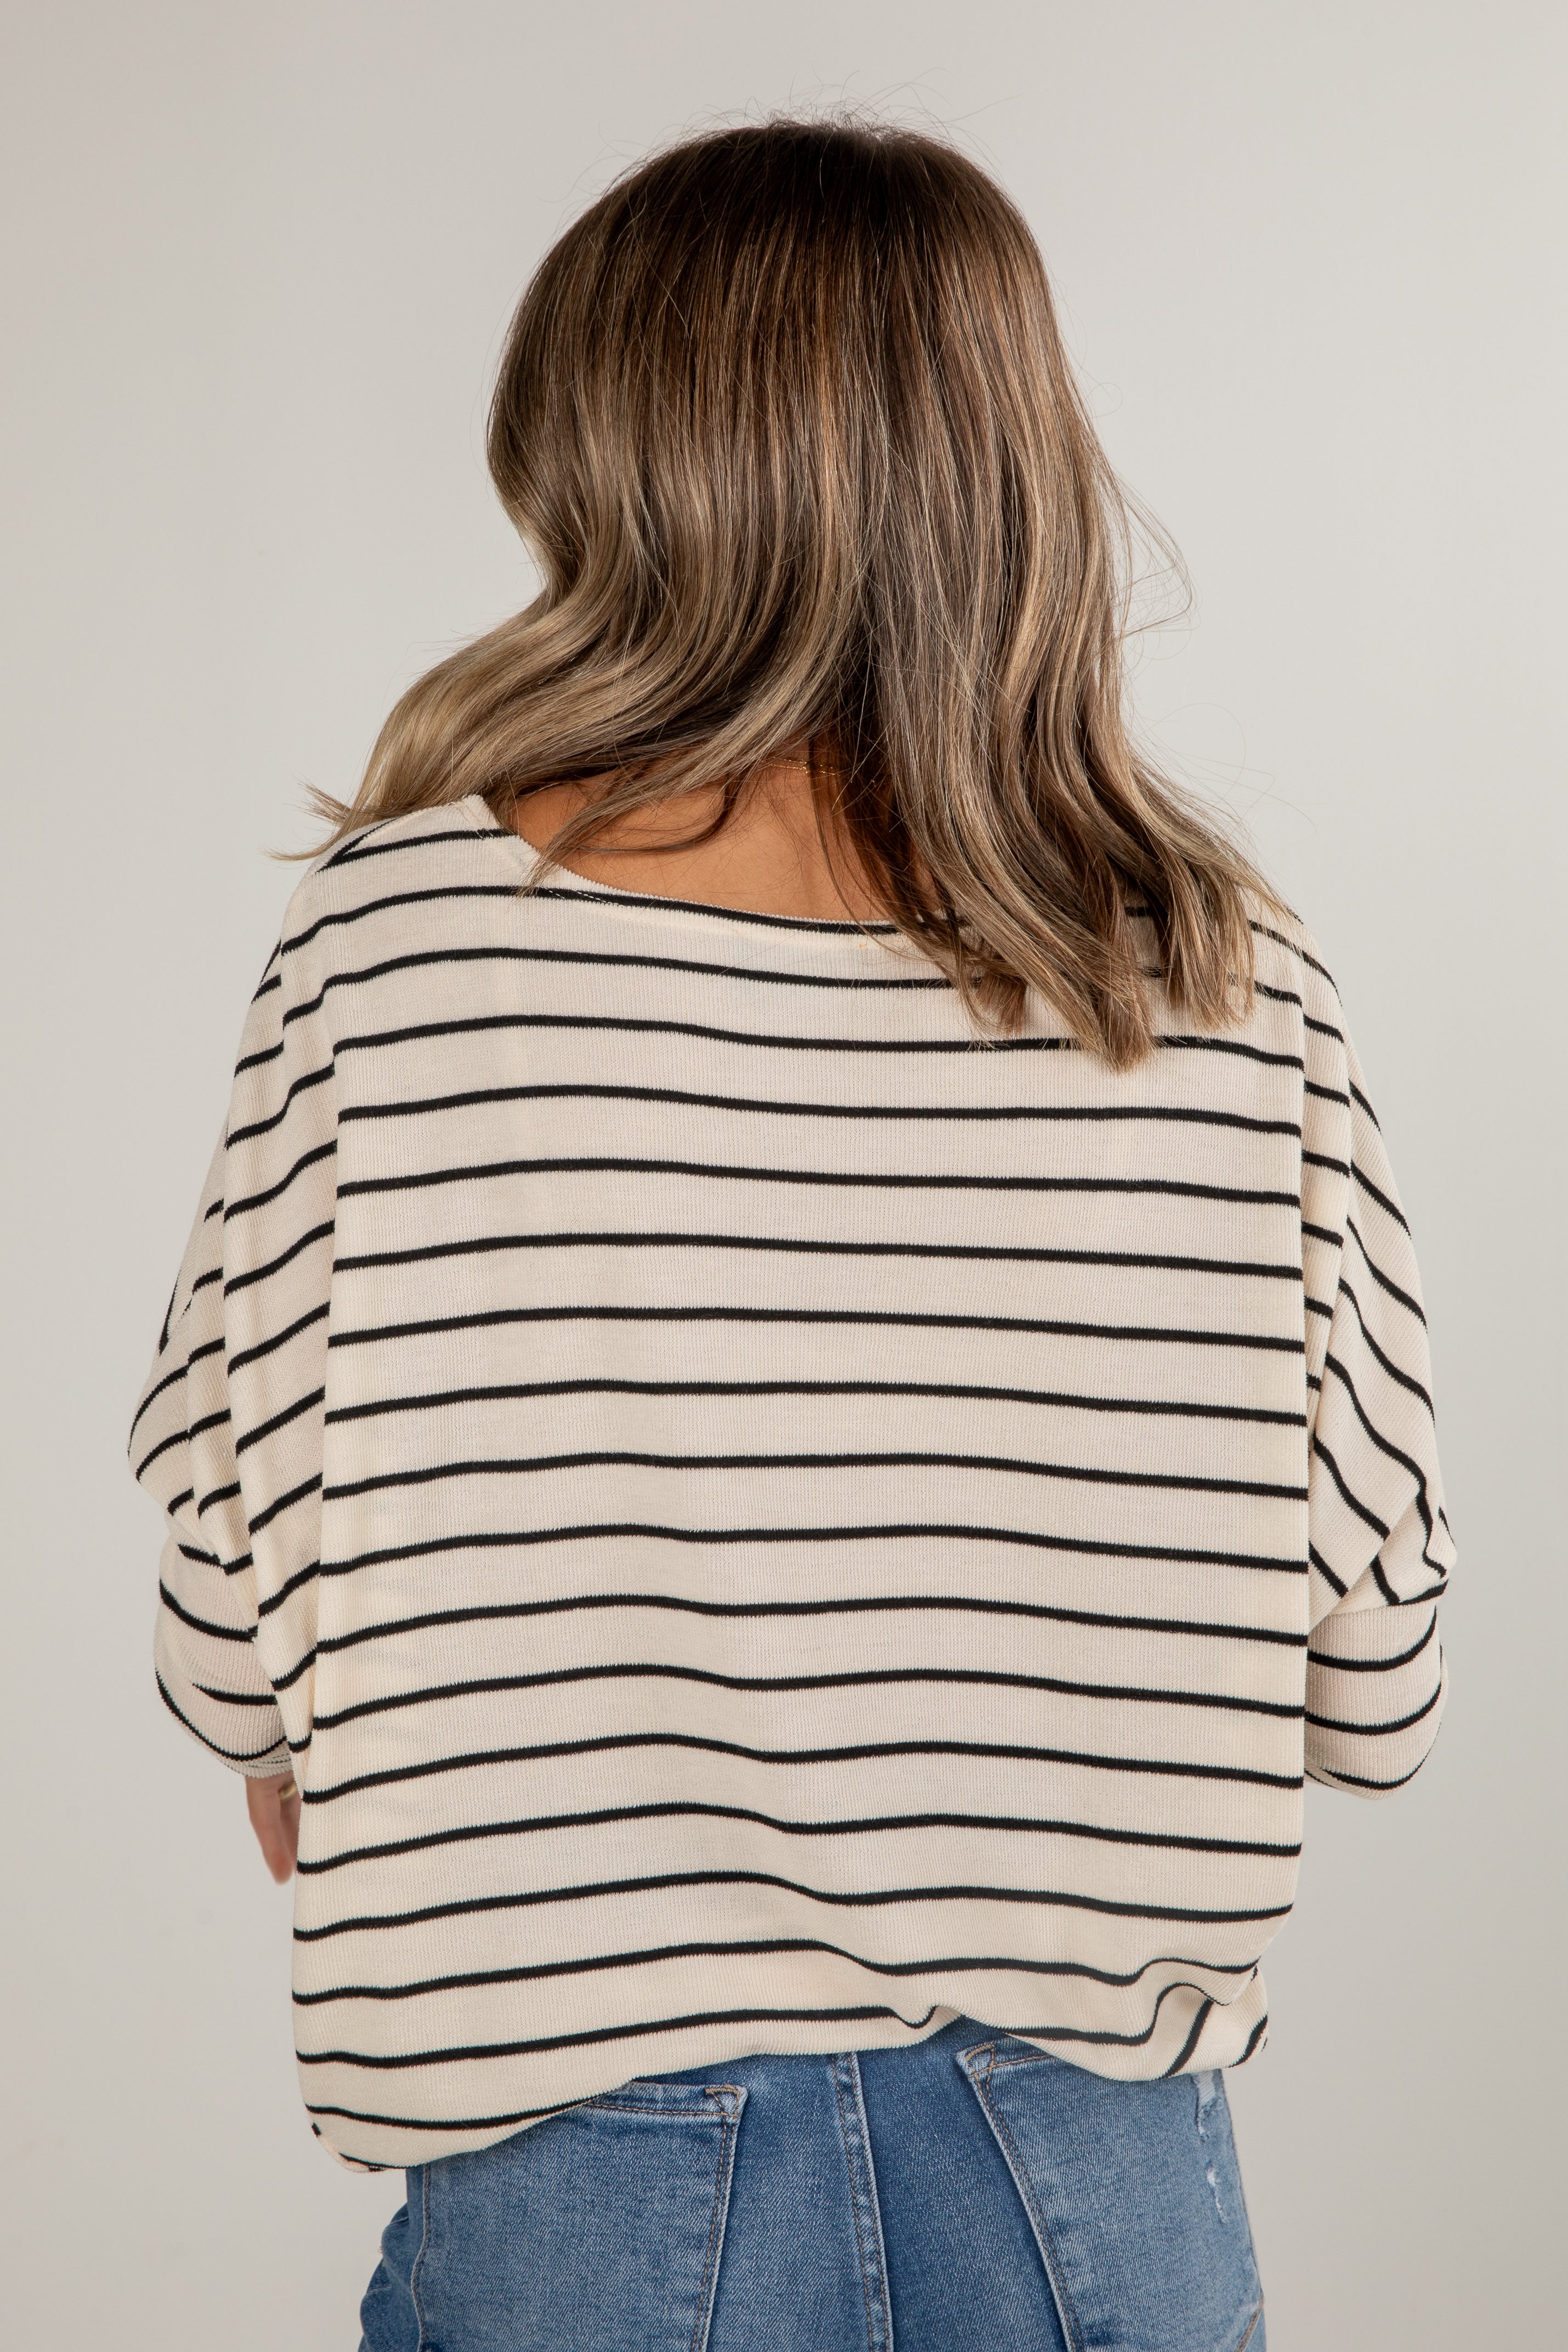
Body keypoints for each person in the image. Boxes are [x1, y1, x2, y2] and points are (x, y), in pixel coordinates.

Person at [129, 116, 1452, 2352]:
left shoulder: (409, 943)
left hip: (584, 2172)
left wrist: (349, 1736)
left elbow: (228, 1590)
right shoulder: (1216, 979)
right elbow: (1380, 1653)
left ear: (617, 477)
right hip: (1094, 2193)